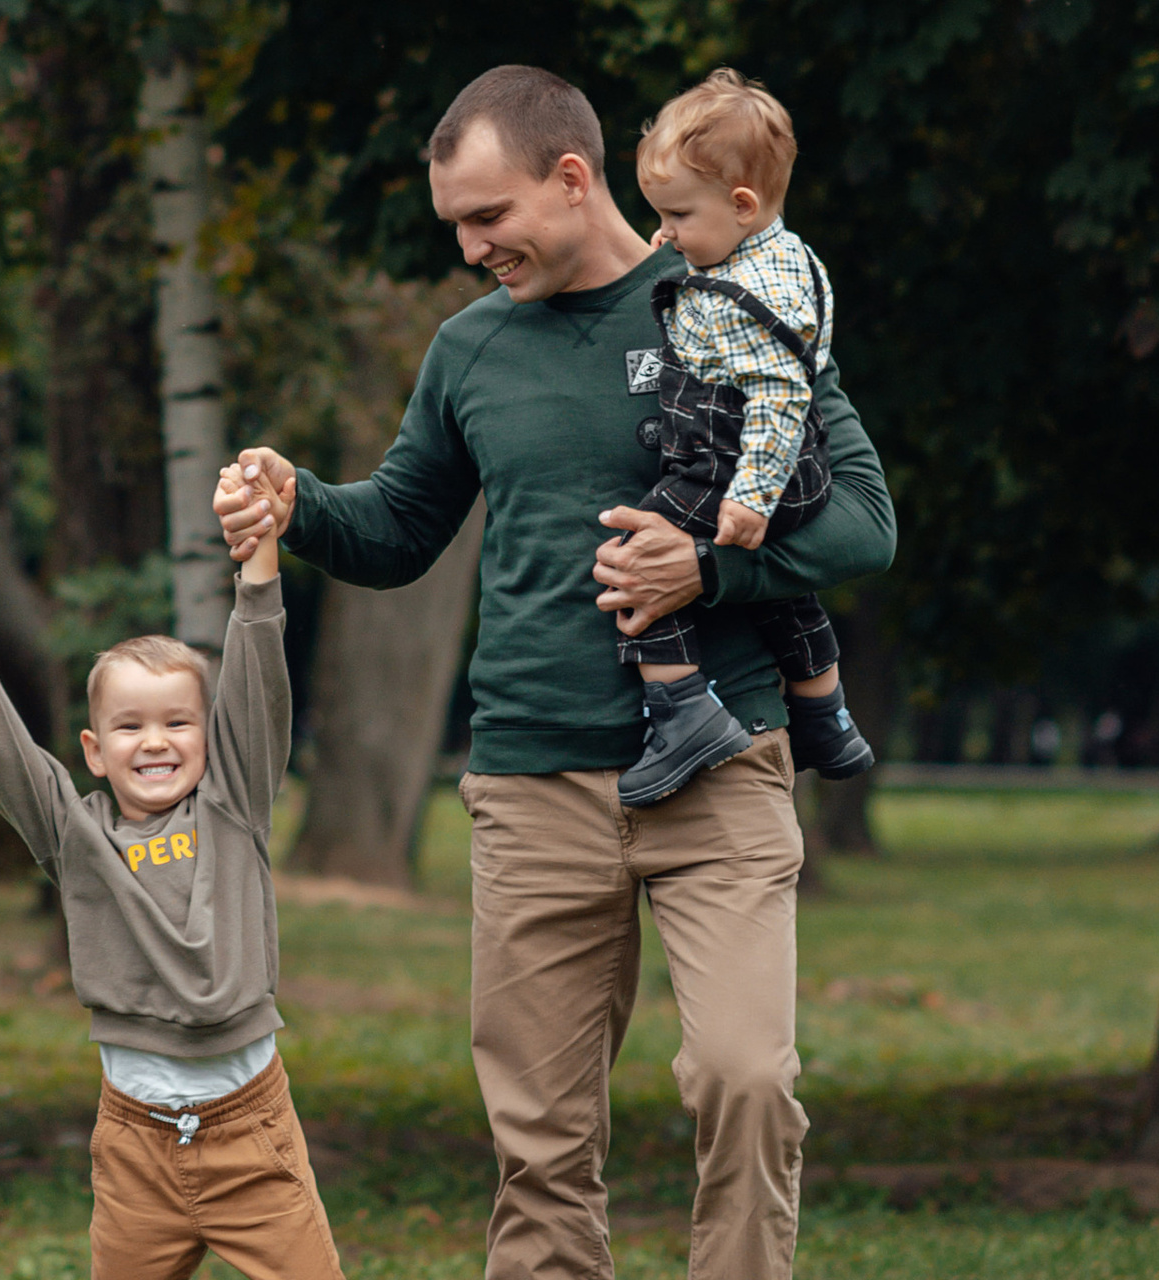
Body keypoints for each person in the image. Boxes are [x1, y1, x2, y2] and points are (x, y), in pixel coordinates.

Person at [214, 65, 895, 1280]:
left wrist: (710, 569)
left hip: (718, 770)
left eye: (489, 217)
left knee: (744, 1079)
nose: (472, 247)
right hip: (530, 779)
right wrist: (298, 501)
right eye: (457, 226)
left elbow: (861, 523)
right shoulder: (469, 348)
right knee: (539, 1142)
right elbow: (398, 529)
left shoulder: (733, 300)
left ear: (572, 179)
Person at [0, 478, 344, 1280]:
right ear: (93, 749)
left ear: (209, 736)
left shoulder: (232, 804)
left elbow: (258, 690)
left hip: (251, 1132)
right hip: (133, 1144)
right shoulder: (74, 831)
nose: (155, 742)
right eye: (130, 726)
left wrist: (257, 569)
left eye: (178, 722)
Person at [615, 67, 877, 805]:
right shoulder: (781, 256)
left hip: (745, 465)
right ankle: (825, 715)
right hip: (792, 468)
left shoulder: (746, 297)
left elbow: (777, 398)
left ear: (742, 204)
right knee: (780, 594)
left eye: (676, 215)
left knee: (633, 560)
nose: (662, 233)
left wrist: (751, 499)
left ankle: (682, 710)